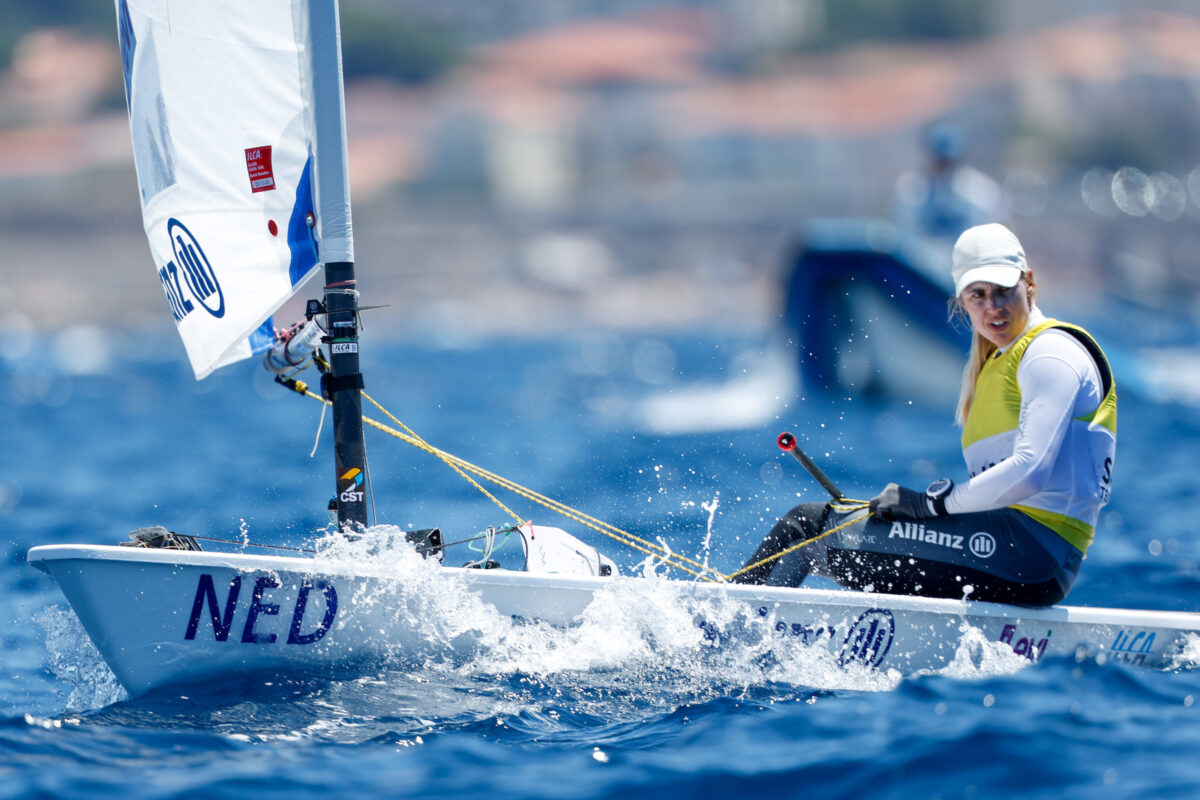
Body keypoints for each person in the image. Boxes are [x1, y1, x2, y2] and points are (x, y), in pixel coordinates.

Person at [734, 223, 1116, 607]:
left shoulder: (1050, 354)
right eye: (978, 295)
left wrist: (929, 506)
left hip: (1033, 555)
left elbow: (1031, 471)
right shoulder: (995, 365)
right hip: (1016, 553)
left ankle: (726, 621)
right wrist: (914, 517)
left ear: (1029, 282)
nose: (993, 307)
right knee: (845, 528)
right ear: (962, 300)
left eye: (1003, 290)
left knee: (806, 528)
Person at [894, 123, 1006, 240]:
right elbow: (907, 230)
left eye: (948, 160)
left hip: (968, 250)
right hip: (926, 250)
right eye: (940, 159)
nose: (944, 165)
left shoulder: (979, 189)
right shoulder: (913, 189)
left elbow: (990, 227)